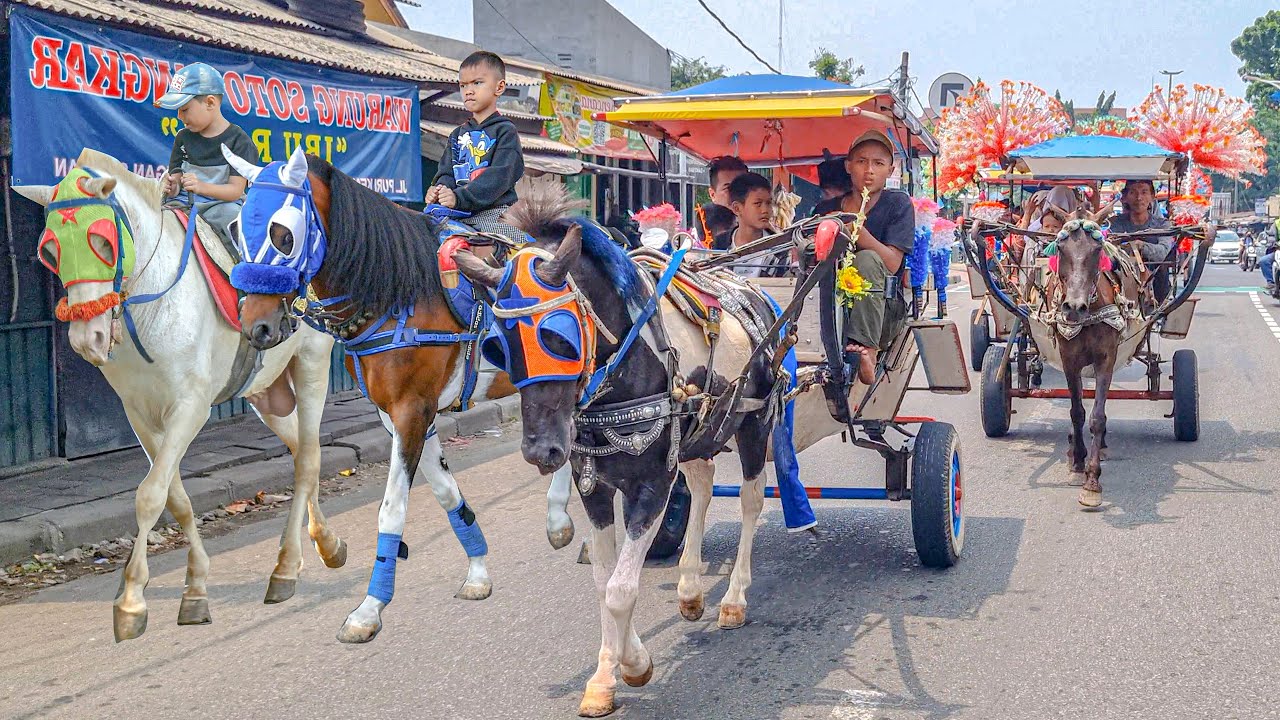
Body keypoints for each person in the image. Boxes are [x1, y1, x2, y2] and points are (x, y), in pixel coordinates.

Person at [812, 130, 915, 385]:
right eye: (861, 162)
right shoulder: (826, 209)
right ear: (849, 166)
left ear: (890, 170)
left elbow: (892, 263)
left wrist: (858, 232)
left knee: (867, 259)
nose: (869, 170)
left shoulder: (898, 204)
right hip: (830, 305)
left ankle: (866, 351)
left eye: (878, 163)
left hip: (883, 310)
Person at [425, 51, 525, 243]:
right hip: (457, 211)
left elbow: (499, 177)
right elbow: (447, 172)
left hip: (494, 213)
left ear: (499, 87)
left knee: (516, 246)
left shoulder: (506, 131)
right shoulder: (457, 134)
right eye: (463, 85)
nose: (468, 91)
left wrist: (459, 197)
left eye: (477, 83)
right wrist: (439, 190)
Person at [157, 62, 256, 249]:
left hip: (220, 207)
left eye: (184, 109)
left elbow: (235, 191)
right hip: (182, 202)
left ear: (210, 103)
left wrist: (201, 187)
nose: (179, 116)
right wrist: (172, 186)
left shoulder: (239, 141)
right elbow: (176, 175)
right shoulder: (183, 137)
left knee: (237, 223)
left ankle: (239, 274)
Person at [1107, 179, 1173, 302]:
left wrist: (1141, 246)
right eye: (1133, 192)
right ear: (1125, 197)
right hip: (1120, 285)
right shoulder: (1115, 224)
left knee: (1162, 270)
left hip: (1155, 284)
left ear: (1152, 197)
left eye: (1144, 192)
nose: (1139, 198)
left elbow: (1164, 253)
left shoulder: (1162, 225)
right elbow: (1108, 252)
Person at [714, 172, 790, 277]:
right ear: (737, 208)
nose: (765, 210)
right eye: (758, 204)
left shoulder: (781, 249)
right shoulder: (719, 246)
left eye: (768, 203)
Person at [694, 156, 748, 244]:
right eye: (728, 188)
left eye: (742, 187)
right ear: (712, 194)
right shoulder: (698, 240)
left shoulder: (763, 231)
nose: (737, 193)